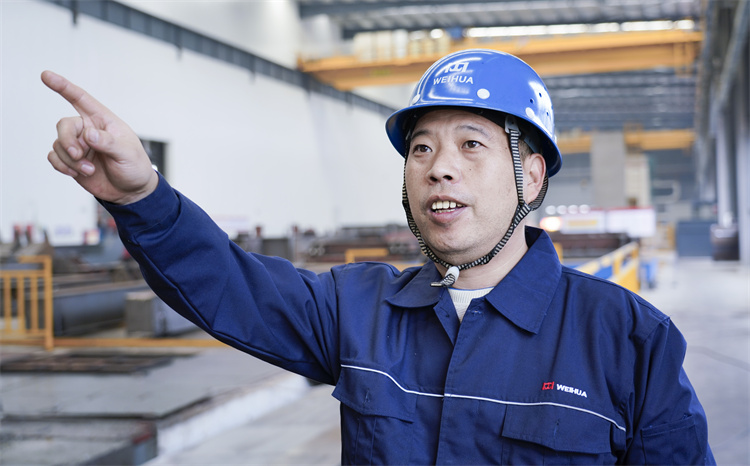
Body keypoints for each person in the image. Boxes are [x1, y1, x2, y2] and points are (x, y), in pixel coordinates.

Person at [43, 49, 714, 464]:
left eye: (471, 145)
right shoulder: (359, 309)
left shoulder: (626, 339)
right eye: (422, 148)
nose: (439, 167)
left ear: (531, 178)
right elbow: (228, 285)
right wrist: (140, 195)